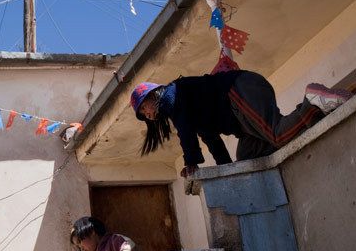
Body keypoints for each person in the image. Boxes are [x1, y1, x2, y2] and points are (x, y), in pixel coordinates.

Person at [130, 72, 353, 177]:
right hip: (242, 121)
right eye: (142, 114)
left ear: (154, 94)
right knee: (248, 161)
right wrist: (226, 170)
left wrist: (191, 162)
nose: (147, 114)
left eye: (144, 107)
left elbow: (185, 133)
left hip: (240, 90)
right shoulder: (186, 108)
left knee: (277, 136)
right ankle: (318, 108)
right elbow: (211, 138)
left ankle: (311, 103)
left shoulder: (173, 95)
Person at [70, 216, 135, 251]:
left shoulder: (115, 240)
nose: (81, 248)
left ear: (92, 232)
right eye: (78, 247)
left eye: (79, 242)